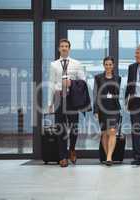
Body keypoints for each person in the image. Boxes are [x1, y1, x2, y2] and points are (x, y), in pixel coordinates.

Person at [47, 38, 85, 168]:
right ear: (59, 48)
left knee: (74, 127)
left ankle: (72, 149)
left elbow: (83, 82)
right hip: (58, 97)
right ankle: (63, 157)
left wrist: (71, 83)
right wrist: (49, 102)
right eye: (62, 46)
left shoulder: (77, 64)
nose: (64, 48)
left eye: (66, 46)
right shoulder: (53, 65)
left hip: (72, 97)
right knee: (60, 128)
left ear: (69, 48)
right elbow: (51, 84)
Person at [93, 56, 121, 166]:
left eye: (110, 64)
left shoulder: (118, 78)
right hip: (102, 108)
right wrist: (95, 110)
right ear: (103, 65)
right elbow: (95, 95)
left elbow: (117, 94)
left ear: (113, 66)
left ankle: (109, 157)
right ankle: (107, 155)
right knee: (104, 133)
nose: (108, 66)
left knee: (113, 131)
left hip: (114, 108)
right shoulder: (98, 78)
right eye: (106, 64)